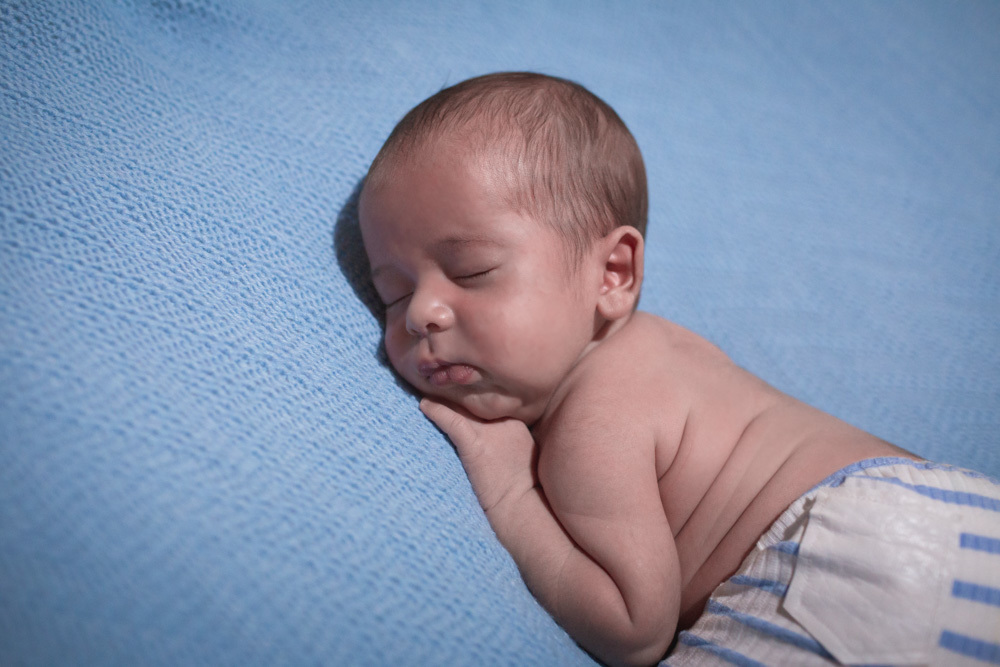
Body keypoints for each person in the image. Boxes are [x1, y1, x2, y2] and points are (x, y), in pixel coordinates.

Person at [357, 72, 1000, 667]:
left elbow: (633, 628)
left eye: (471, 271)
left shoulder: (595, 419)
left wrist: (510, 490)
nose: (421, 314)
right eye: (393, 294)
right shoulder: (670, 353)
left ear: (613, 274)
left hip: (840, 570)